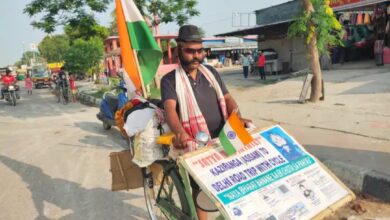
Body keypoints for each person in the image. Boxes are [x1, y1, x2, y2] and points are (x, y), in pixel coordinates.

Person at [160, 24, 251, 220]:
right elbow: (169, 109)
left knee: (239, 178)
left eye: (199, 50)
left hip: (223, 137)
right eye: (190, 51)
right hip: (196, 143)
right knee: (200, 188)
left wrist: (238, 117)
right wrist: (179, 132)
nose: (196, 56)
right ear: (178, 51)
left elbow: (227, 98)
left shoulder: (211, 72)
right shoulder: (169, 80)